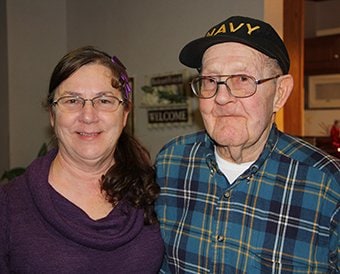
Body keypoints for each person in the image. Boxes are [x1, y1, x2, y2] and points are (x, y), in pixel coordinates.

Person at [155, 16, 340, 273]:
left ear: (280, 93)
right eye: (210, 80)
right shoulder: (171, 163)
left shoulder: (327, 184)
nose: (221, 98)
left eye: (242, 79)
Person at [0, 46, 163, 273]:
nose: (88, 115)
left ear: (125, 114)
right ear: (52, 115)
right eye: (72, 101)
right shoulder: (8, 205)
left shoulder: (154, 191)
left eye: (104, 100)